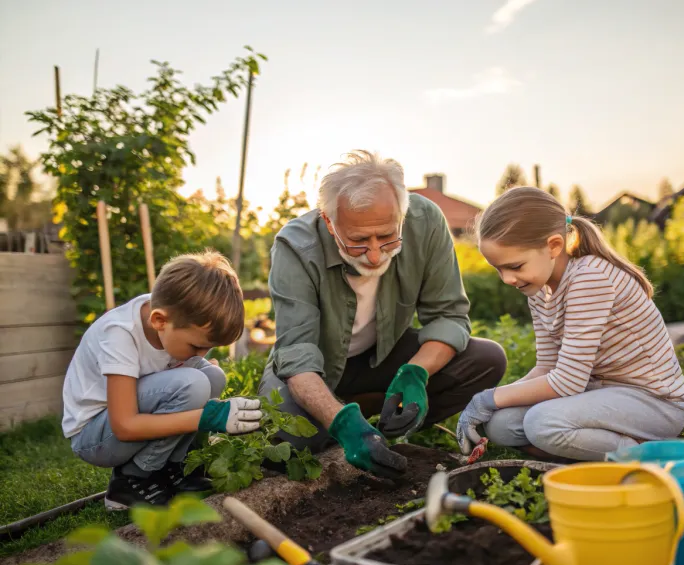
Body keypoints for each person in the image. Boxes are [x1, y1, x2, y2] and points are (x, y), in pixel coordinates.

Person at [259, 150, 507, 478]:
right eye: (359, 241)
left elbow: (448, 316)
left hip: (383, 357)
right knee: (287, 441)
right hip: (315, 369)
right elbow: (297, 357)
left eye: (387, 237)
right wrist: (341, 423)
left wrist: (415, 373)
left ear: (402, 214)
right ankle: (347, 420)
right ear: (329, 222)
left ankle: (379, 420)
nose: (375, 256)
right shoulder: (295, 246)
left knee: (486, 359)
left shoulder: (426, 221)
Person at [457, 187, 684, 461]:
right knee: (502, 425)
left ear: (554, 246)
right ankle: (584, 458)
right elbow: (547, 367)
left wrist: (486, 399)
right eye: (499, 269)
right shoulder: (540, 289)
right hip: (600, 392)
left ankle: (650, 456)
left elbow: (567, 382)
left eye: (515, 266)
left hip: (653, 403)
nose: (507, 279)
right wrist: (492, 406)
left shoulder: (590, 278)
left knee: (542, 423)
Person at [63, 251, 263, 509]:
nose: (201, 354)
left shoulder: (175, 316)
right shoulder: (120, 334)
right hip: (95, 437)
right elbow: (124, 425)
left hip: (123, 425)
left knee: (212, 376)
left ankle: (175, 468)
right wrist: (208, 417)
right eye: (196, 346)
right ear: (159, 321)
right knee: (194, 384)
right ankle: (131, 481)